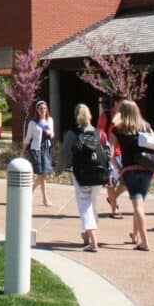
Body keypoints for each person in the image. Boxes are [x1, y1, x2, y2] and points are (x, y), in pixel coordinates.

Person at [56, 103, 107, 251]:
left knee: (85, 206)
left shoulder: (72, 134)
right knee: (94, 205)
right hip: (98, 174)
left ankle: (93, 241)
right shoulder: (99, 133)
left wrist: (59, 169)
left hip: (81, 174)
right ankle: (86, 236)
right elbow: (106, 152)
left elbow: (65, 153)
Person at [113, 100, 154, 251]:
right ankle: (135, 235)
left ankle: (144, 242)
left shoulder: (119, 129)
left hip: (130, 170)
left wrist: (118, 168)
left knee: (137, 206)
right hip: (147, 169)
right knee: (140, 204)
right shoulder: (146, 127)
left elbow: (110, 153)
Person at [98, 96, 128, 219]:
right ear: (116, 102)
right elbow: (100, 132)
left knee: (127, 182)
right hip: (110, 153)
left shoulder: (126, 116)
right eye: (123, 102)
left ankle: (112, 198)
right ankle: (114, 209)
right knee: (111, 182)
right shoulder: (106, 115)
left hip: (125, 152)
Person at [22, 100, 54, 206]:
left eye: (45, 108)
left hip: (46, 148)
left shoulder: (50, 120)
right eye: (41, 108)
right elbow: (28, 138)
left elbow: (52, 134)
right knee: (42, 173)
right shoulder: (32, 123)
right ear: (37, 110)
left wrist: (50, 132)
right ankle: (45, 199)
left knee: (43, 174)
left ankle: (30, 192)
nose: (43, 110)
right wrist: (22, 152)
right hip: (36, 149)